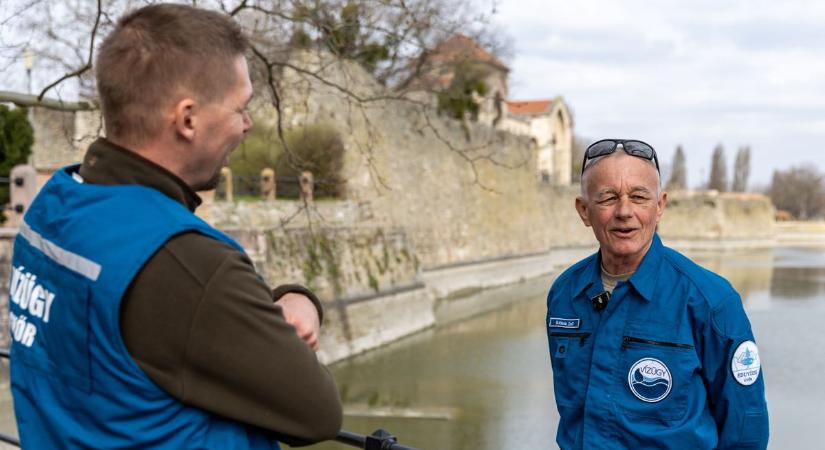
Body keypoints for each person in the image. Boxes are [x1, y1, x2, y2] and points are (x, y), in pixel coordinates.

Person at [8, 4, 342, 449]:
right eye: (240, 108)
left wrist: (289, 299)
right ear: (187, 119)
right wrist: (302, 303)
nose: (248, 124)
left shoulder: (51, 208)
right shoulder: (189, 264)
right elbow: (318, 413)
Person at [545, 139, 769, 449]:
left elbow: (746, 430)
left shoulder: (711, 301)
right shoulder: (565, 294)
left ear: (660, 206)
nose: (624, 211)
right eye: (608, 198)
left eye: (638, 197)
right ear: (584, 211)